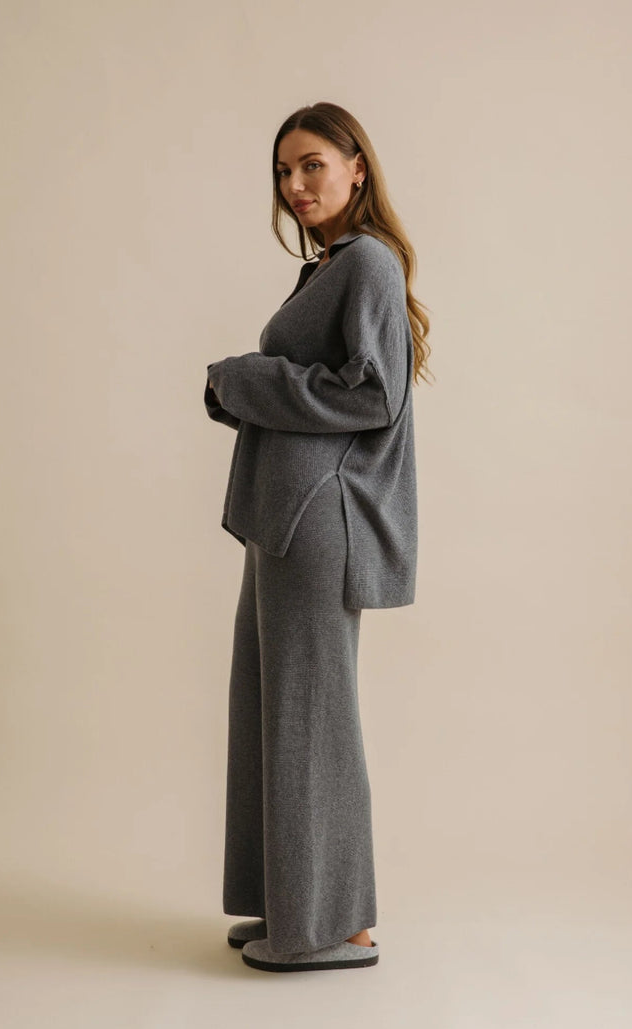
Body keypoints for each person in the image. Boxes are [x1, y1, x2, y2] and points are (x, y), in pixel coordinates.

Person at [204, 101, 433, 973]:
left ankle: (338, 926)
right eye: (284, 172)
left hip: (318, 523)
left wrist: (245, 378)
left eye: (312, 166)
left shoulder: (366, 262)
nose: (296, 186)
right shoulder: (331, 268)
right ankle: (296, 907)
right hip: (285, 517)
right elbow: (329, 392)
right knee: (274, 710)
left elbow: (372, 395)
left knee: (311, 719)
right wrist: (242, 398)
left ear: (356, 168)